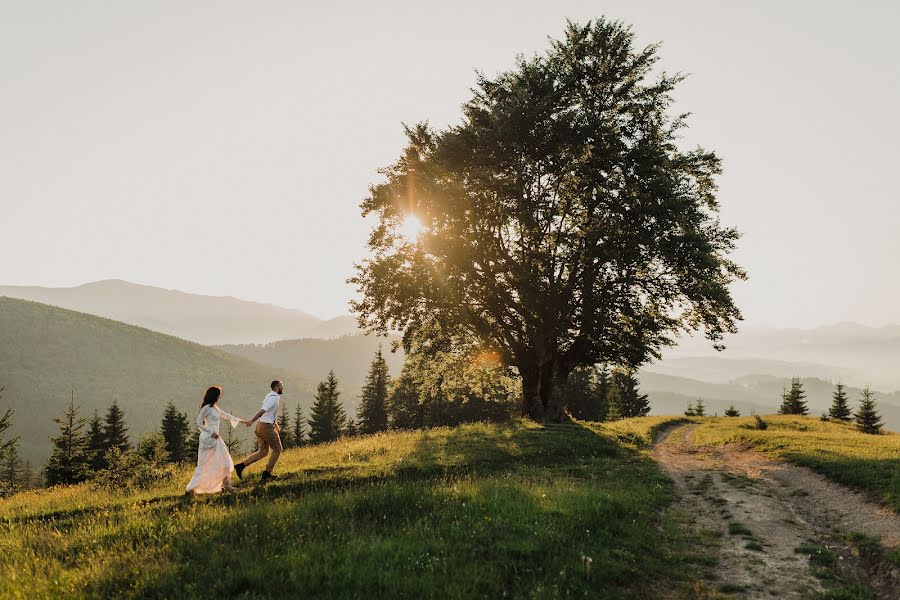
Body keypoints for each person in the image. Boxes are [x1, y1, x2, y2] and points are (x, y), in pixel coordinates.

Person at [185, 386, 242, 495]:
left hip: (216, 438)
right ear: (214, 395)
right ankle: (192, 489)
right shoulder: (206, 408)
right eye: (219, 394)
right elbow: (198, 423)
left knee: (224, 461)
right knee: (204, 464)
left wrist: (242, 421)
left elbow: (225, 415)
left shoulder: (214, 407)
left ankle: (227, 486)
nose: (220, 396)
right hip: (209, 438)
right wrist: (211, 432)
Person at [234, 380, 284, 483]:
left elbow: (270, 413)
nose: (283, 388)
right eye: (281, 386)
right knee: (278, 449)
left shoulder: (269, 396)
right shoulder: (274, 398)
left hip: (260, 426)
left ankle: (241, 466)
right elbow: (263, 411)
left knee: (263, 452)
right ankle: (267, 474)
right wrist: (252, 420)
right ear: (277, 387)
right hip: (266, 427)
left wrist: (276, 425)